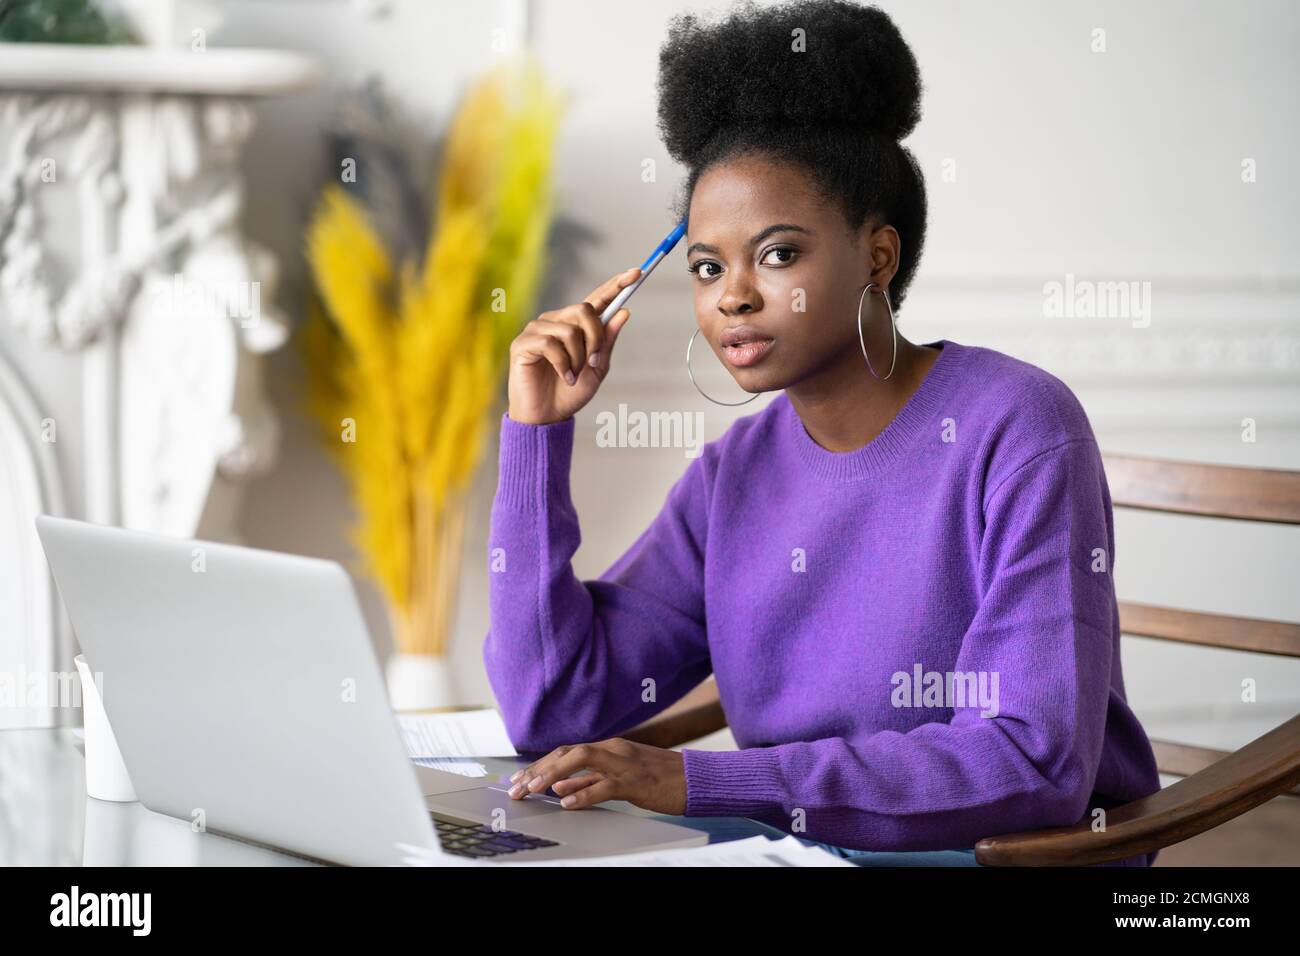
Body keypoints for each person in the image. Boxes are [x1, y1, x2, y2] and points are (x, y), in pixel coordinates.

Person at [482, 0, 1161, 867]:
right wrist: (535, 434)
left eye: (776, 254)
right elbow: (552, 707)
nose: (732, 295)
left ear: (878, 257)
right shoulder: (736, 474)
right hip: (787, 850)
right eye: (706, 265)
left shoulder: (1018, 427)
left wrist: (698, 782)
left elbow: (1031, 760)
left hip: (1005, 855)